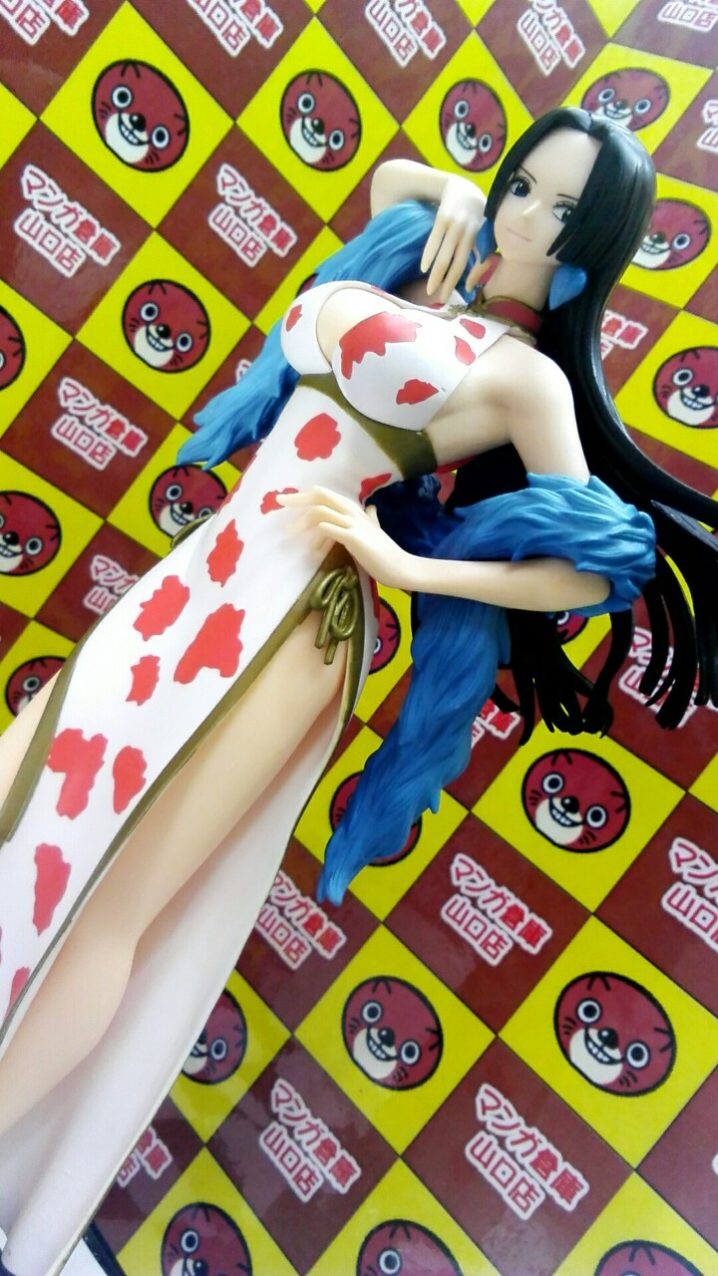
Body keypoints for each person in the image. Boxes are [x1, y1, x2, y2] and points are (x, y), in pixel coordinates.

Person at [0, 108, 709, 1274]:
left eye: (560, 208)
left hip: (292, 623)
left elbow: (596, 569)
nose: (523, 213)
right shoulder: (429, 271)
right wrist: (457, 194)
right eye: (521, 182)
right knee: (27, 805)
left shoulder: (525, 379)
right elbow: (388, 182)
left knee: (121, 903)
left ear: (593, 244)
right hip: (204, 576)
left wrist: (410, 568)